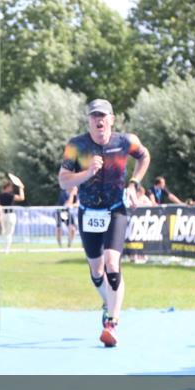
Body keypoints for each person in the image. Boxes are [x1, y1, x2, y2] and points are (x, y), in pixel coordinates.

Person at [59, 98, 150, 348]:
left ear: (111, 119)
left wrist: (134, 183)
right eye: (93, 116)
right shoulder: (76, 145)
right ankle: (107, 303)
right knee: (96, 271)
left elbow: (144, 156)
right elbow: (63, 181)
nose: (98, 120)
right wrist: (86, 173)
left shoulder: (124, 141)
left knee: (112, 263)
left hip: (115, 210)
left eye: (103, 116)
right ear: (88, 120)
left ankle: (111, 322)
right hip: (88, 213)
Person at [0, 179, 25, 253]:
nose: (11, 189)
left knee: (0, 232)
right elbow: (22, 198)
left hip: (2, 215)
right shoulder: (10, 195)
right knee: (9, 233)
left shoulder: (0, 195)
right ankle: (6, 250)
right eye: (10, 187)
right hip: (10, 215)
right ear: (7, 187)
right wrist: (21, 188)